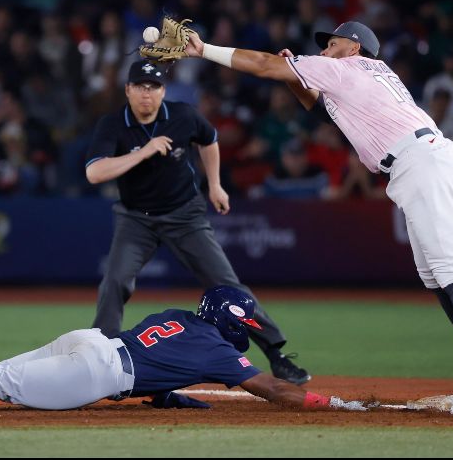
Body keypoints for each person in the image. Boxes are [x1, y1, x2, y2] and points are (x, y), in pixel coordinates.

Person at [183, 21, 453, 414]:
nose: (324, 50)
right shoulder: (365, 75)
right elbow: (325, 112)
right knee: (435, 274)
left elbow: (264, 64)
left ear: (354, 47)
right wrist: (294, 78)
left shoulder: (345, 68)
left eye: (332, 43)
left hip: (422, 162)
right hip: (426, 158)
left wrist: (205, 51)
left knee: (450, 268)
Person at [84, 60, 311, 385]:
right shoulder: (112, 124)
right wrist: (144, 152)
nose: (147, 94)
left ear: (163, 91)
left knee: (227, 285)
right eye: (140, 87)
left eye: (154, 87)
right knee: (114, 281)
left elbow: (209, 140)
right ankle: (100, 356)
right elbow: (94, 172)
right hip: (136, 219)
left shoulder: (181, 115)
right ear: (128, 90)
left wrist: (216, 184)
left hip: (184, 214)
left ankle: (276, 353)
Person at [0, 286, 366, 413]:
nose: (250, 330)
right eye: (247, 323)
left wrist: (167, 393)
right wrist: (329, 404)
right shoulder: (216, 349)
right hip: (99, 371)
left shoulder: (176, 317)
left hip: (90, 339)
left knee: (1, 371)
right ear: (232, 322)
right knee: (5, 385)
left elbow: (161, 360)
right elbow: (273, 387)